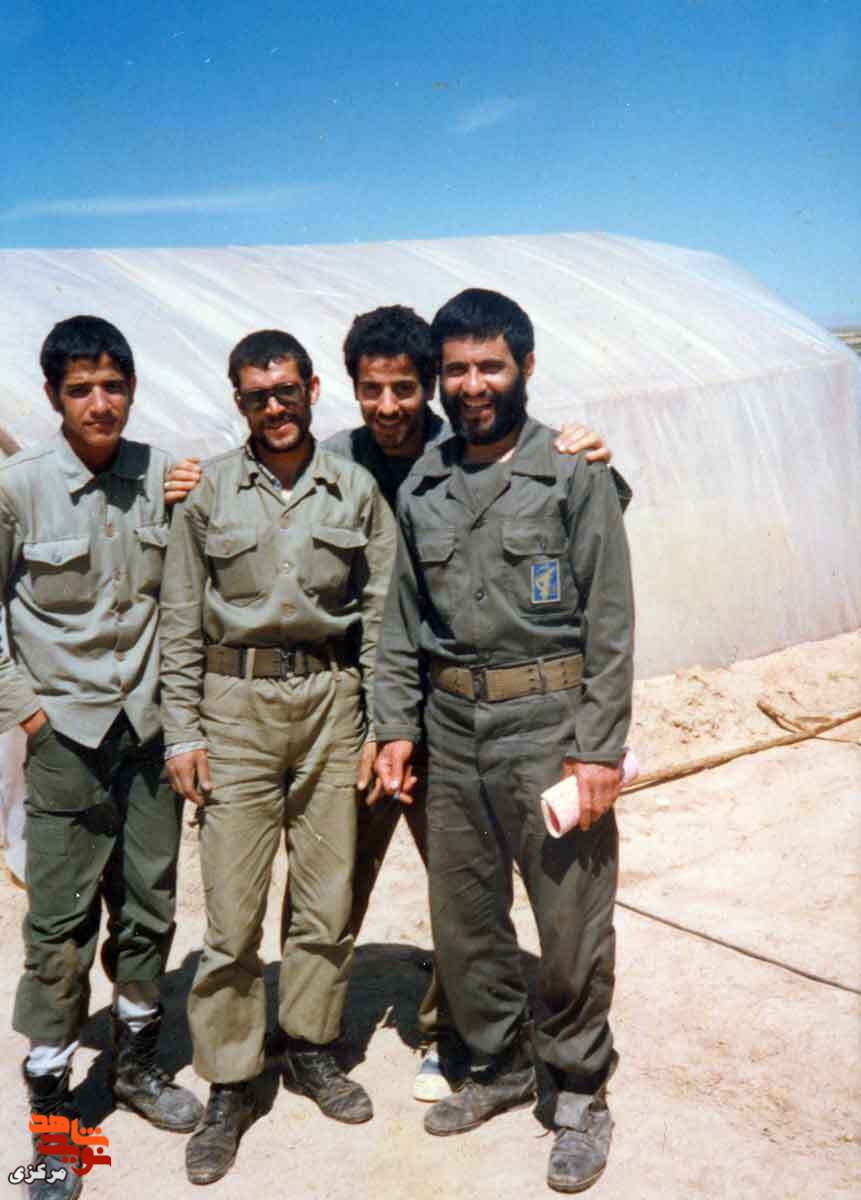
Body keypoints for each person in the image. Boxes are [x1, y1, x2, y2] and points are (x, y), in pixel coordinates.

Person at [164, 304, 624, 1103]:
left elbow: (584, 537)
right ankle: (308, 1032)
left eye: (405, 388)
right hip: (356, 710)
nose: (387, 406)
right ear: (344, 389)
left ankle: (453, 1032)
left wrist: (594, 454)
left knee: (463, 889)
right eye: (371, 389)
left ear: (428, 387)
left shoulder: (467, 448)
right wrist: (180, 483)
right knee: (341, 881)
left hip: (457, 710)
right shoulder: (334, 459)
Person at [374, 288, 635, 1194]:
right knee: (464, 917)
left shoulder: (571, 473)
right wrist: (396, 727)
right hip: (450, 730)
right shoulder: (423, 483)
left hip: (549, 729)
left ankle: (578, 1091)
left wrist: (597, 750)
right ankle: (499, 1063)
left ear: (523, 367)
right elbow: (399, 622)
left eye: (490, 365)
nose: (473, 385)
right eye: (456, 370)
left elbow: (609, 621)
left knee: (570, 922)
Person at [159, 329, 395, 1186]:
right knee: (231, 913)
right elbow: (180, 618)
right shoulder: (207, 493)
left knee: (325, 901)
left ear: (311, 390)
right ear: (239, 402)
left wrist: (379, 726)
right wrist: (183, 731)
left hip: (333, 704)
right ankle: (230, 1079)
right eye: (258, 396)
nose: (275, 407)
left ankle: (309, 1046)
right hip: (236, 708)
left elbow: (380, 616)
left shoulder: (356, 490)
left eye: (287, 391)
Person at [0, 316, 203, 1200]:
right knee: (59, 926)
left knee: (149, 906)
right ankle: (55, 1125)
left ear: (132, 388)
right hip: (65, 741)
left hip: (148, 733)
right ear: (52, 396)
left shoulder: (163, 476)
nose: (99, 402)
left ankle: (137, 1066)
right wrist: (29, 715)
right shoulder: (17, 489)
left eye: (113, 385)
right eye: (80, 388)